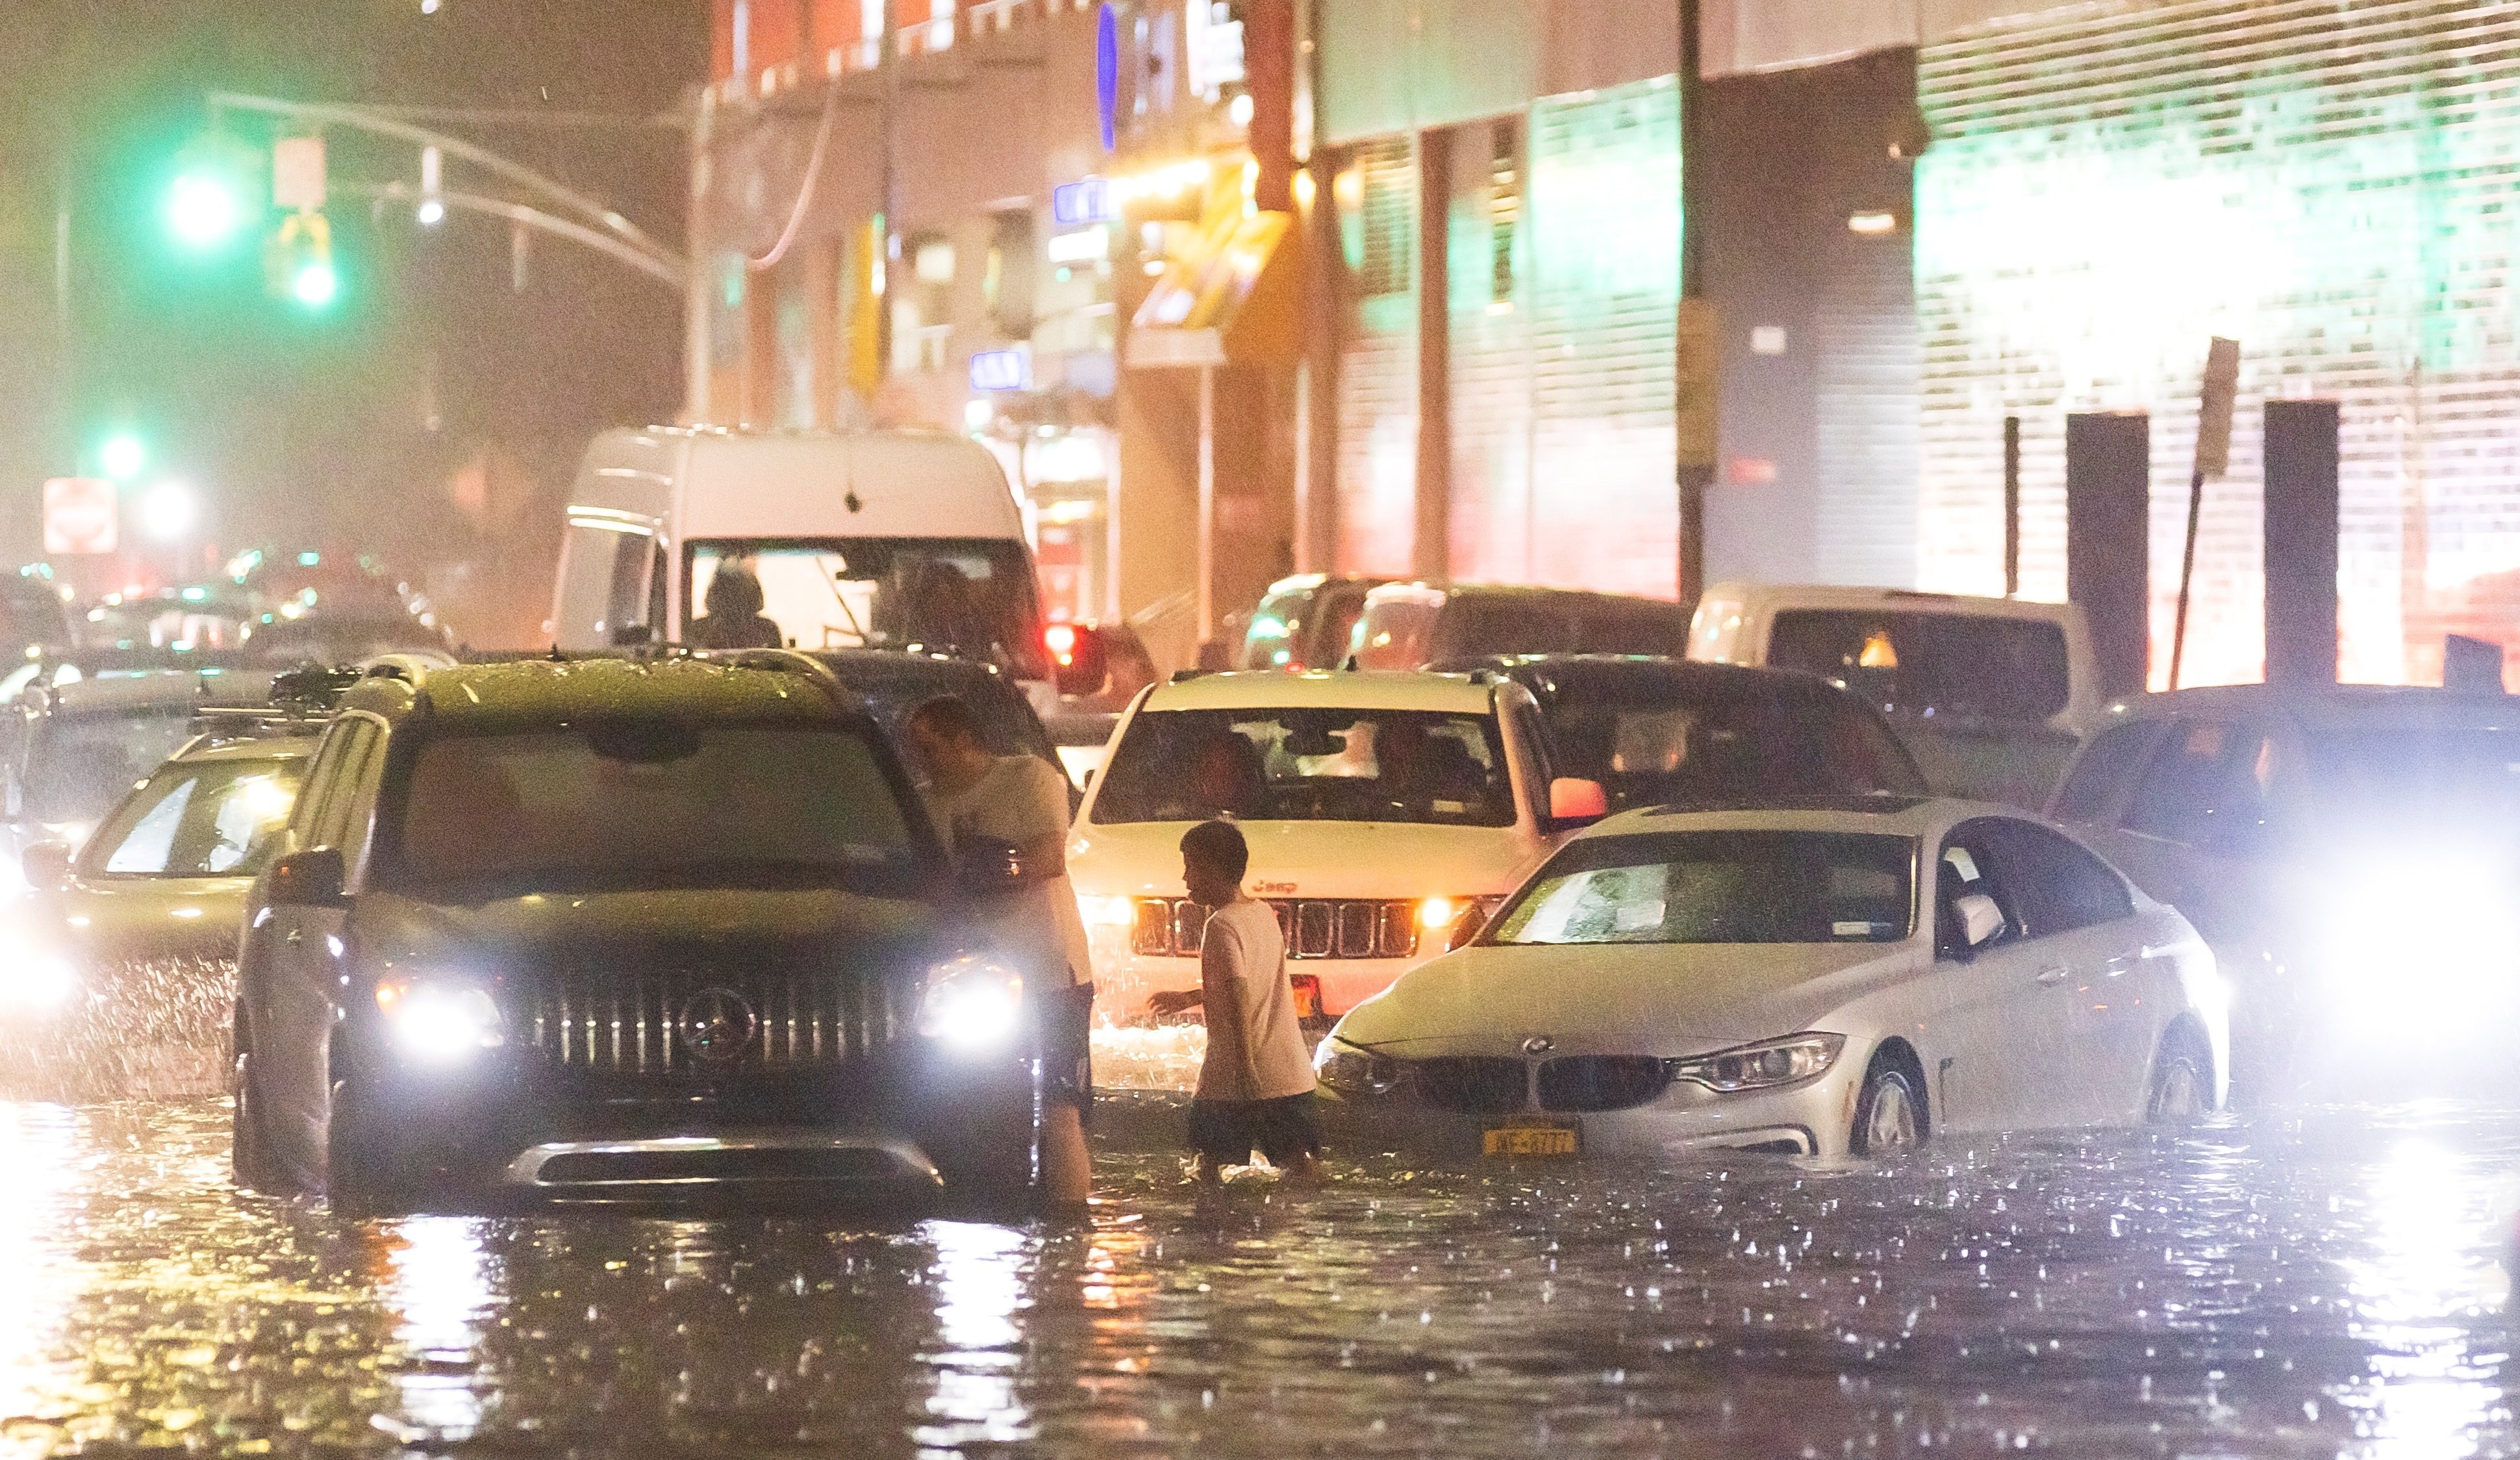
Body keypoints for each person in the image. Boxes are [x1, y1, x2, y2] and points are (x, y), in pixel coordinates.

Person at [903, 694, 1095, 1210]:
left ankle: (1070, 1224)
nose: (921, 758)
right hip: (968, 980)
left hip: (1050, 972)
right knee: (967, 1101)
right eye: (914, 748)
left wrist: (977, 872)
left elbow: (1048, 857)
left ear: (965, 739)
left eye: (930, 746)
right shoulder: (921, 805)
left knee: (1059, 1106)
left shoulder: (1029, 778)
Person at [1146, 820, 1325, 1185]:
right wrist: (1191, 997)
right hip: (1290, 1073)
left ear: (1212, 867)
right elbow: (1249, 983)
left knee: (1205, 1172)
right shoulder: (1262, 914)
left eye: (1190, 866)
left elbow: (1240, 995)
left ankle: (1219, 1238)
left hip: (1235, 1079)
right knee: (1302, 1172)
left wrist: (1245, 1066)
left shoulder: (1221, 924)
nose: (1185, 878)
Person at [688, 564, 783, 649]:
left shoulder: (699, 628)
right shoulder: (767, 628)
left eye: (738, 593)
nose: (732, 598)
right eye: (725, 592)